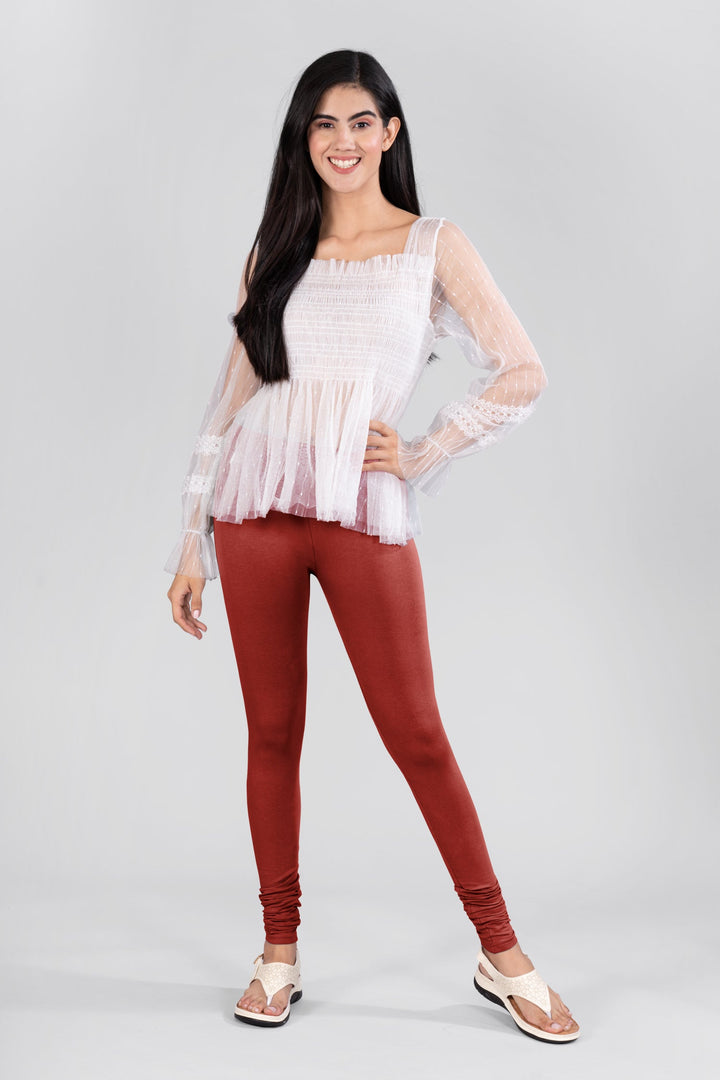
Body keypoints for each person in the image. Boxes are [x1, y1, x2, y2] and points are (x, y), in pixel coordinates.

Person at [164, 49, 579, 1043]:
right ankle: (278, 952)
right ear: (303, 139)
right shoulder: (279, 248)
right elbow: (229, 401)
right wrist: (190, 542)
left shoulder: (432, 244)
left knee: (417, 733)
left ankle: (501, 952)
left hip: (362, 508)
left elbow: (521, 369)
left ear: (390, 133)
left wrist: (427, 449)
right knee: (272, 734)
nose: (342, 142)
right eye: (324, 124)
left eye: (360, 122)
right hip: (256, 510)